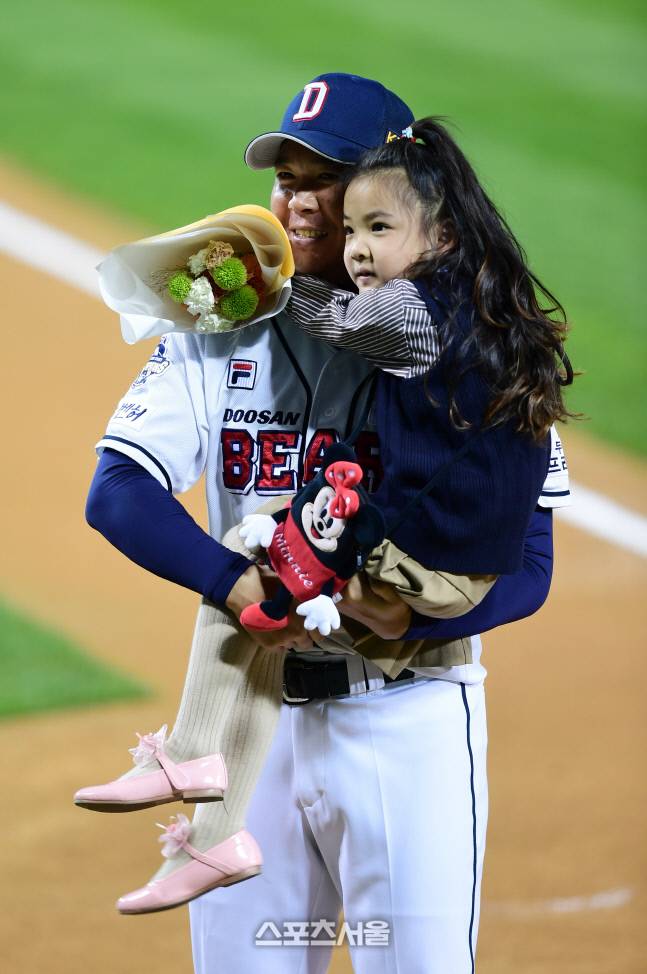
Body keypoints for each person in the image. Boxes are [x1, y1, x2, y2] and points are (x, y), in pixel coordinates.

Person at [81, 74, 571, 972]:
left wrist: (421, 617)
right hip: (253, 740)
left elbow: (530, 563)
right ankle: (191, 757)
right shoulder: (211, 330)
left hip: (405, 725)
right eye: (286, 179)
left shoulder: (468, 340)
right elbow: (116, 491)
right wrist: (238, 587)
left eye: (326, 182)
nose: (299, 204)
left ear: (390, 191)